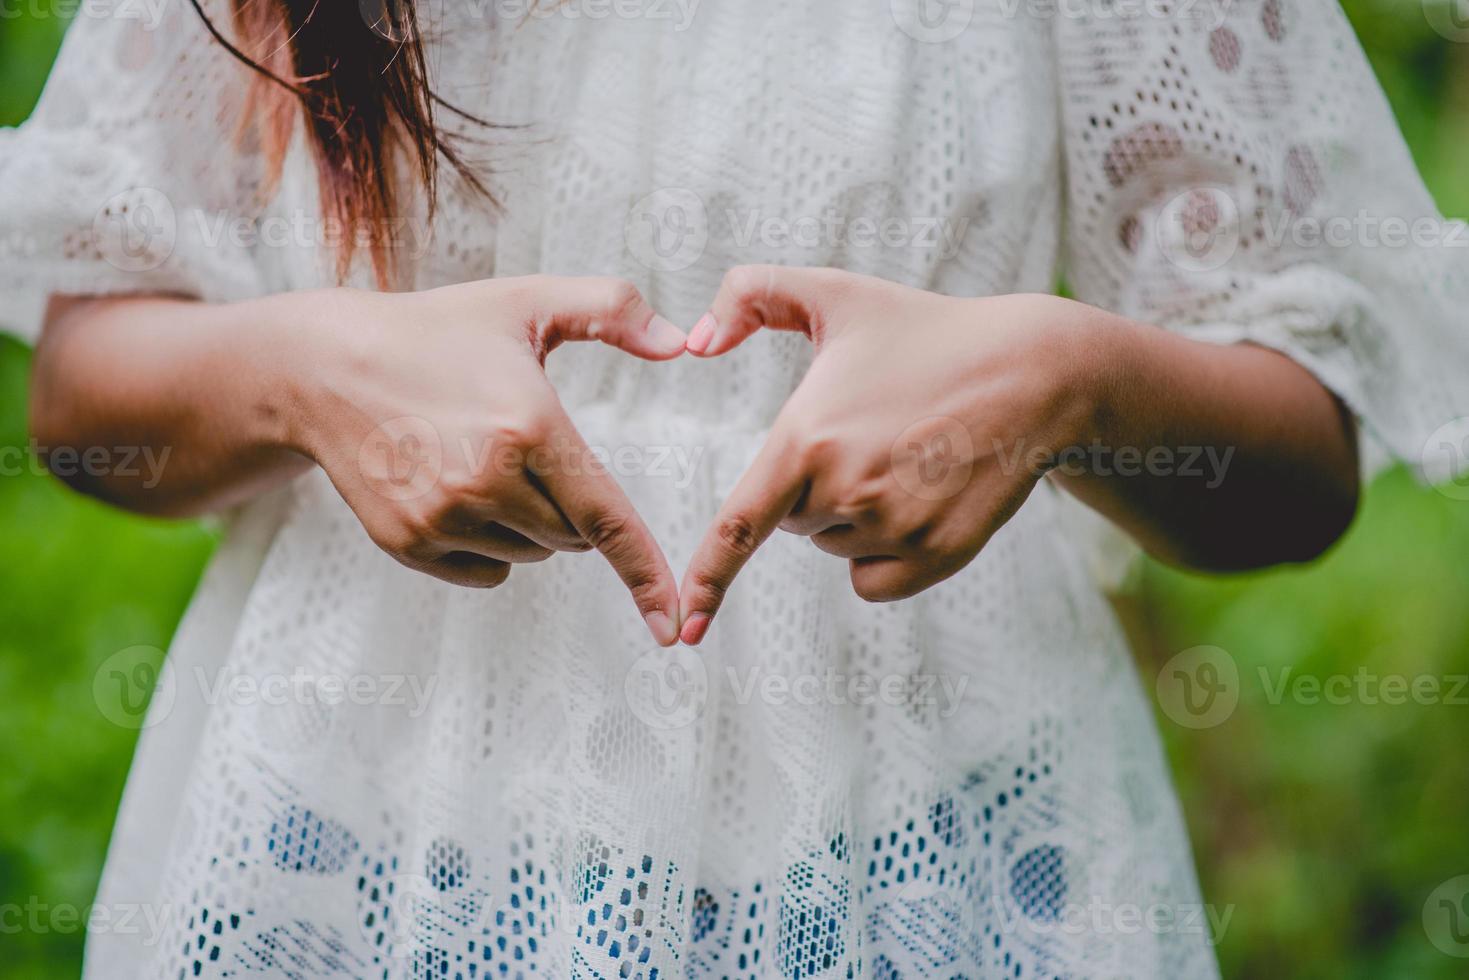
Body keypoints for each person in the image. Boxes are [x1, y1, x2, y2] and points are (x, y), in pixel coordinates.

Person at [3, 0, 1465, 976]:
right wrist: (310, 371)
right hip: (355, 843)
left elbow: (1295, 461)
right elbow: (85, 389)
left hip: (931, 836)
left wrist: (1061, 377)